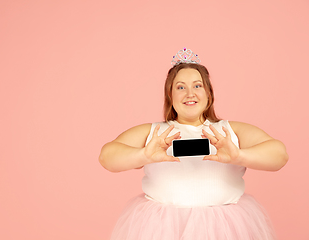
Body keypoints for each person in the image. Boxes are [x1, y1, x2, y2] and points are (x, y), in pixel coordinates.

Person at [99, 48, 288, 240]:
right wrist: (143, 156)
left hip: (224, 229)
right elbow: (107, 157)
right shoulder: (154, 133)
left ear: (209, 94)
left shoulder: (231, 131)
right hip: (161, 230)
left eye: (197, 86)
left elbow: (279, 155)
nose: (190, 93)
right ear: (170, 96)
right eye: (180, 87)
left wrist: (239, 156)